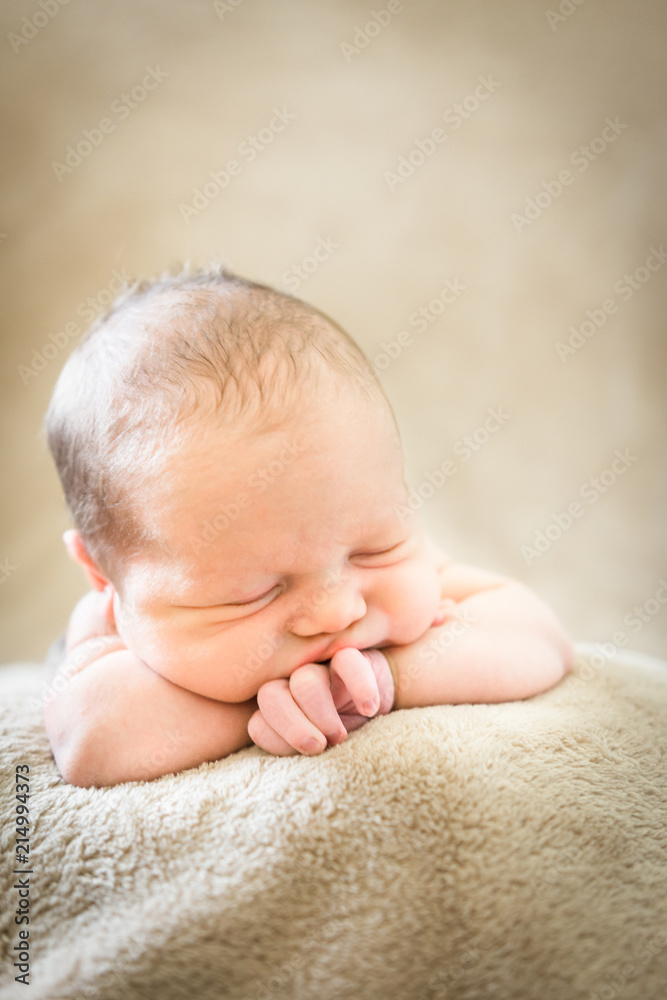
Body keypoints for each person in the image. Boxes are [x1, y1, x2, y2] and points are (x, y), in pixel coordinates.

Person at [43, 266, 573, 787]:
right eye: (255, 593)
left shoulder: (369, 549)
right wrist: (266, 702)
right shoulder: (108, 622)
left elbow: (542, 638)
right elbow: (90, 742)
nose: (338, 610)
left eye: (372, 551)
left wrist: (389, 678)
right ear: (104, 576)